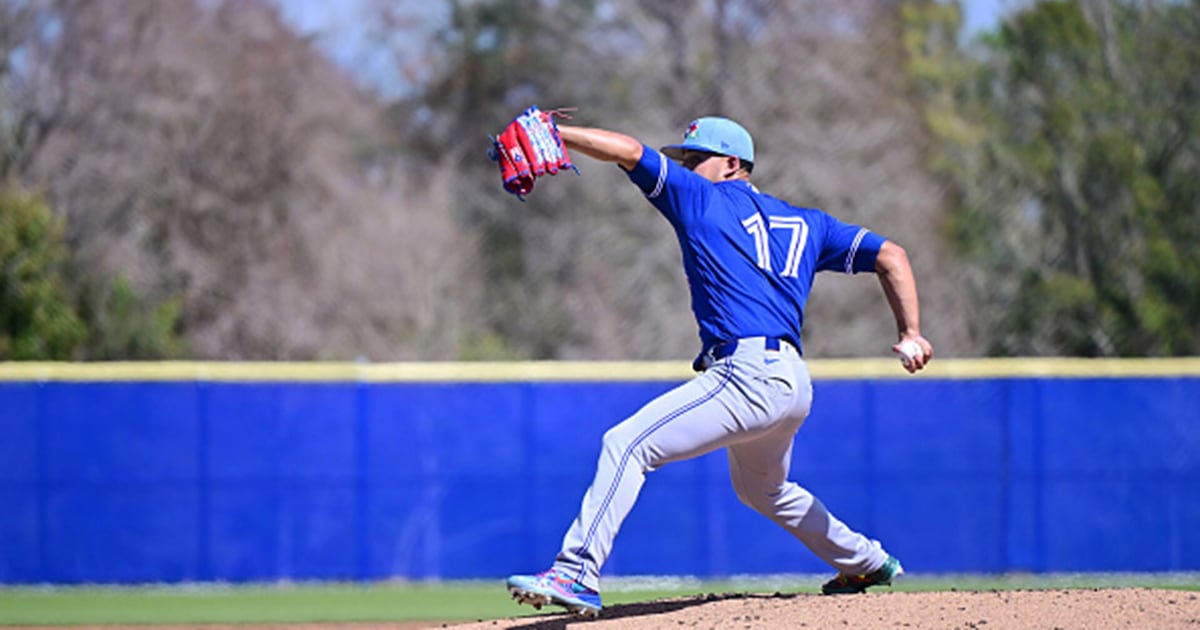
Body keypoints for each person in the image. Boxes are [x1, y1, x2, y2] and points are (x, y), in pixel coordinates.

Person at [505, 116, 933, 617]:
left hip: (747, 375)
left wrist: (559, 135)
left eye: (694, 157)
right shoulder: (809, 224)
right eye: (684, 160)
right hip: (792, 383)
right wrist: (911, 332)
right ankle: (866, 560)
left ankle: (575, 571)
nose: (685, 166)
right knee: (761, 489)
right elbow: (892, 254)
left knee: (626, 444)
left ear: (732, 164)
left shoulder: (700, 198)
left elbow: (626, 150)